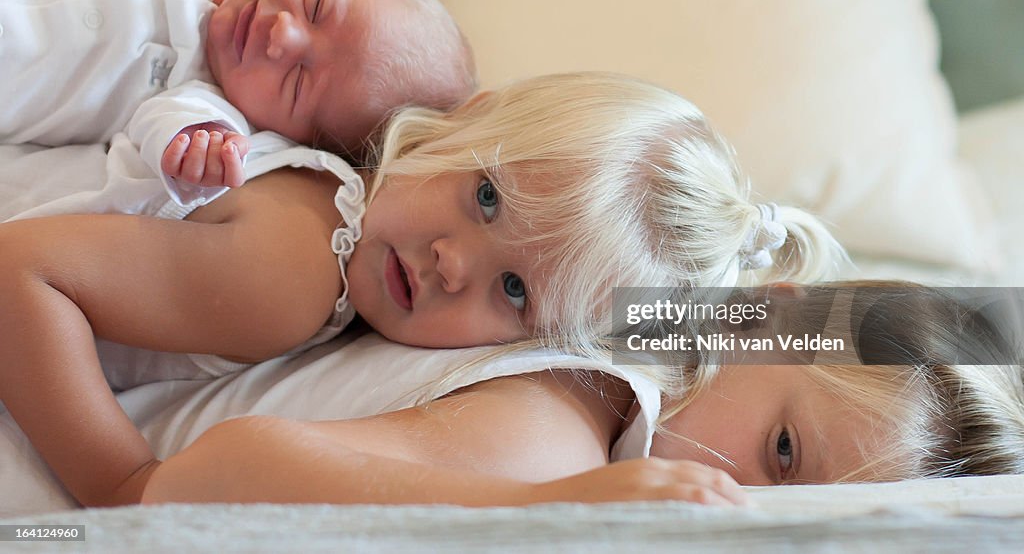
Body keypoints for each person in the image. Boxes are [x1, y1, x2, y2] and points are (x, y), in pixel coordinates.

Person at [0, 70, 843, 508]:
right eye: (485, 196)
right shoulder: (296, 264)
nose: (452, 263)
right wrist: (120, 485)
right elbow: (20, 270)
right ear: (466, 117)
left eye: (513, 289)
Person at [138, 282, 1024, 506]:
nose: (736, 507)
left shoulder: (618, 320)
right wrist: (538, 507)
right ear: (756, 317)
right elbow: (203, 477)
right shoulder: (561, 438)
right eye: (782, 455)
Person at [0, 0, 476, 206]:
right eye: (316, 4)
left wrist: (192, 153)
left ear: (291, 138)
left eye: (296, 81)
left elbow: (156, 136)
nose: (282, 35)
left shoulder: (213, 110)